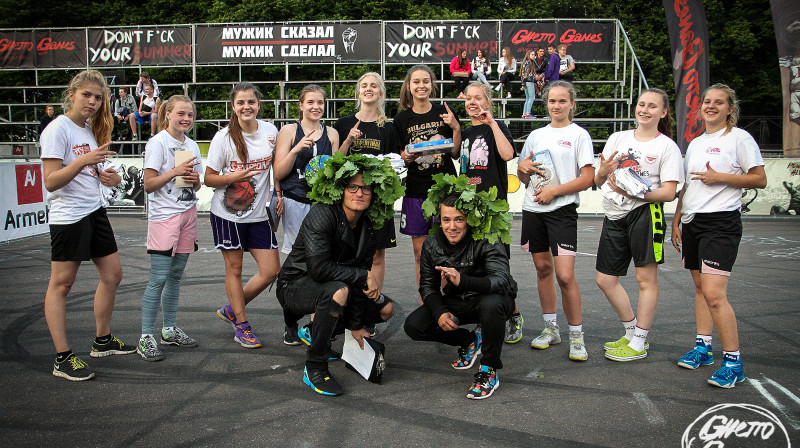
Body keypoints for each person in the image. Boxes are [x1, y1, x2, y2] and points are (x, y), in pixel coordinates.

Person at [276, 154, 403, 396]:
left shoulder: (370, 223)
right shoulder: (323, 213)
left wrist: (356, 325)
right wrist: (363, 274)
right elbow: (319, 268)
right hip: (295, 285)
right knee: (338, 290)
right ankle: (314, 366)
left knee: (386, 309)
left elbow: (359, 279)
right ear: (341, 189)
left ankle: (320, 331)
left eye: (366, 188)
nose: (359, 193)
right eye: (352, 186)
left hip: (336, 285)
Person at [40, 70, 135, 381]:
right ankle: (62, 357)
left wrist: (112, 176)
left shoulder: (90, 129)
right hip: (69, 217)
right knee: (62, 285)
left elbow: (108, 170)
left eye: (98, 97)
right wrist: (82, 162)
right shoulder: (58, 130)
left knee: (113, 274)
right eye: (87, 95)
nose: (92, 102)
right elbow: (51, 181)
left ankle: (102, 340)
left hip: (94, 211)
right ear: (72, 95)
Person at [671, 84, 767, 388]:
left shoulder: (739, 138)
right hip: (693, 222)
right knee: (700, 289)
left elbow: (760, 179)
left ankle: (733, 362)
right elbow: (687, 186)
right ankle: (703, 347)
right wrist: (677, 220)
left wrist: (720, 177)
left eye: (718, 102)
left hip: (721, 223)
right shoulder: (697, 142)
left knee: (714, 293)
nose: (711, 106)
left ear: (729, 109)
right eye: (707, 102)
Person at [594, 88, 684, 362]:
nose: (645, 110)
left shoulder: (667, 146)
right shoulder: (617, 138)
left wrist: (634, 193)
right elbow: (598, 182)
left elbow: (669, 193)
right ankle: (631, 331)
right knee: (605, 279)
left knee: (645, 279)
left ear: (663, 112)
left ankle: (640, 340)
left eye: (652, 106)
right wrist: (603, 172)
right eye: (642, 104)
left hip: (646, 214)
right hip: (614, 214)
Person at [404, 180, 516, 400]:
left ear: (469, 220)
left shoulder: (486, 238)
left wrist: (463, 280)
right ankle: (468, 340)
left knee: (491, 304)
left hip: (491, 300)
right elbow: (427, 286)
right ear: (440, 220)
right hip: (459, 301)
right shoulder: (432, 244)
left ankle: (489, 368)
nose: (452, 226)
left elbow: (501, 281)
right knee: (414, 325)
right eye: (446, 220)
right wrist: (439, 312)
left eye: (458, 219)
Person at [517, 80, 595, 361]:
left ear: (572, 104)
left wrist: (555, 192)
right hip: (533, 209)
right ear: (546, 103)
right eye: (552, 101)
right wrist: (521, 167)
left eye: (562, 101)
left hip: (561, 211)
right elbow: (525, 176)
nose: (557, 106)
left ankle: (577, 336)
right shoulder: (536, 135)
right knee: (542, 269)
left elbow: (588, 178)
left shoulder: (579, 135)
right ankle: (551, 328)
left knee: (564, 275)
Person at [204, 83, 281, 349]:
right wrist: (233, 177)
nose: (246, 107)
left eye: (251, 102)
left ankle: (231, 310)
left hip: (259, 214)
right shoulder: (223, 138)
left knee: (271, 271)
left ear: (259, 104)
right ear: (233, 106)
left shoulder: (271, 131)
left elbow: (276, 168)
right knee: (234, 270)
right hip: (228, 215)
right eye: (241, 103)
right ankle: (242, 325)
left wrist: (278, 195)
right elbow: (208, 179)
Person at [136, 95, 203, 361]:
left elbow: (194, 187)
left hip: (188, 214)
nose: (186, 119)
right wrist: (174, 172)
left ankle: (169, 329)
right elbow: (149, 185)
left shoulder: (192, 145)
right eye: (181, 114)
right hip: (164, 218)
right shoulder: (158, 142)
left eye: (190, 115)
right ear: (167, 115)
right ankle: (145, 336)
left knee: (175, 277)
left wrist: (195, 180)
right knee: (158, 278)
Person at [393, 65, 461, 304]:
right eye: (416, 82)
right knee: (420, 253)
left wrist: (455, 127)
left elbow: (454, 152)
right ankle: (427, 302)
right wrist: (406, 156)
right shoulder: (401, 119)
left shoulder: (445, 111)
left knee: (446, 251)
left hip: (444, 191)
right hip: (415, 191)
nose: (421, 86)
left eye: (425, 81)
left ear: (432, 84)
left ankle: (445, 300)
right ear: (409, 86)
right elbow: (399, 154)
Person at [335, 72, 401, 291]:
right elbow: (335, 163)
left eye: (374, 85)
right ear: (358, 91)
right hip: (349, 200)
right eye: (364, 85)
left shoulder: (389, 128)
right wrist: (348, 140)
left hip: (378, 200)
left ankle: (371, 309)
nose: (368, 89)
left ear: (381, 92)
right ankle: (344, 306)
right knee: (344, 254)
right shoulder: (343, 124)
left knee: (377, 256)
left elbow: (395, 166)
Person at [274, 84, 341, 255]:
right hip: (296, 199)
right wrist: (296, 149)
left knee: (321, 252)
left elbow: (334, 174)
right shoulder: (289, 130)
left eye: (320, 102)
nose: (316, 107)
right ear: (301, 105)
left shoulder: (332, 133)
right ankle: (292, 282)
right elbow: (278, 173)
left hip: (322, 203)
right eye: (310, 102)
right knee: (297, 253)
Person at [519, 49, 537, 118]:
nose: (534, 56)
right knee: (531, 98)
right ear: (528, 55)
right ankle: (528, 113)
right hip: (529, 81)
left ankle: (524, 113)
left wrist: (523, 83)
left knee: (528, 98)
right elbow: (525, 73)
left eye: (534, 55)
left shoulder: (525, 62)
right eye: (532, 55)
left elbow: (523, 74)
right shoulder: (529, 63)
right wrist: (523, 83)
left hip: (526, 81)